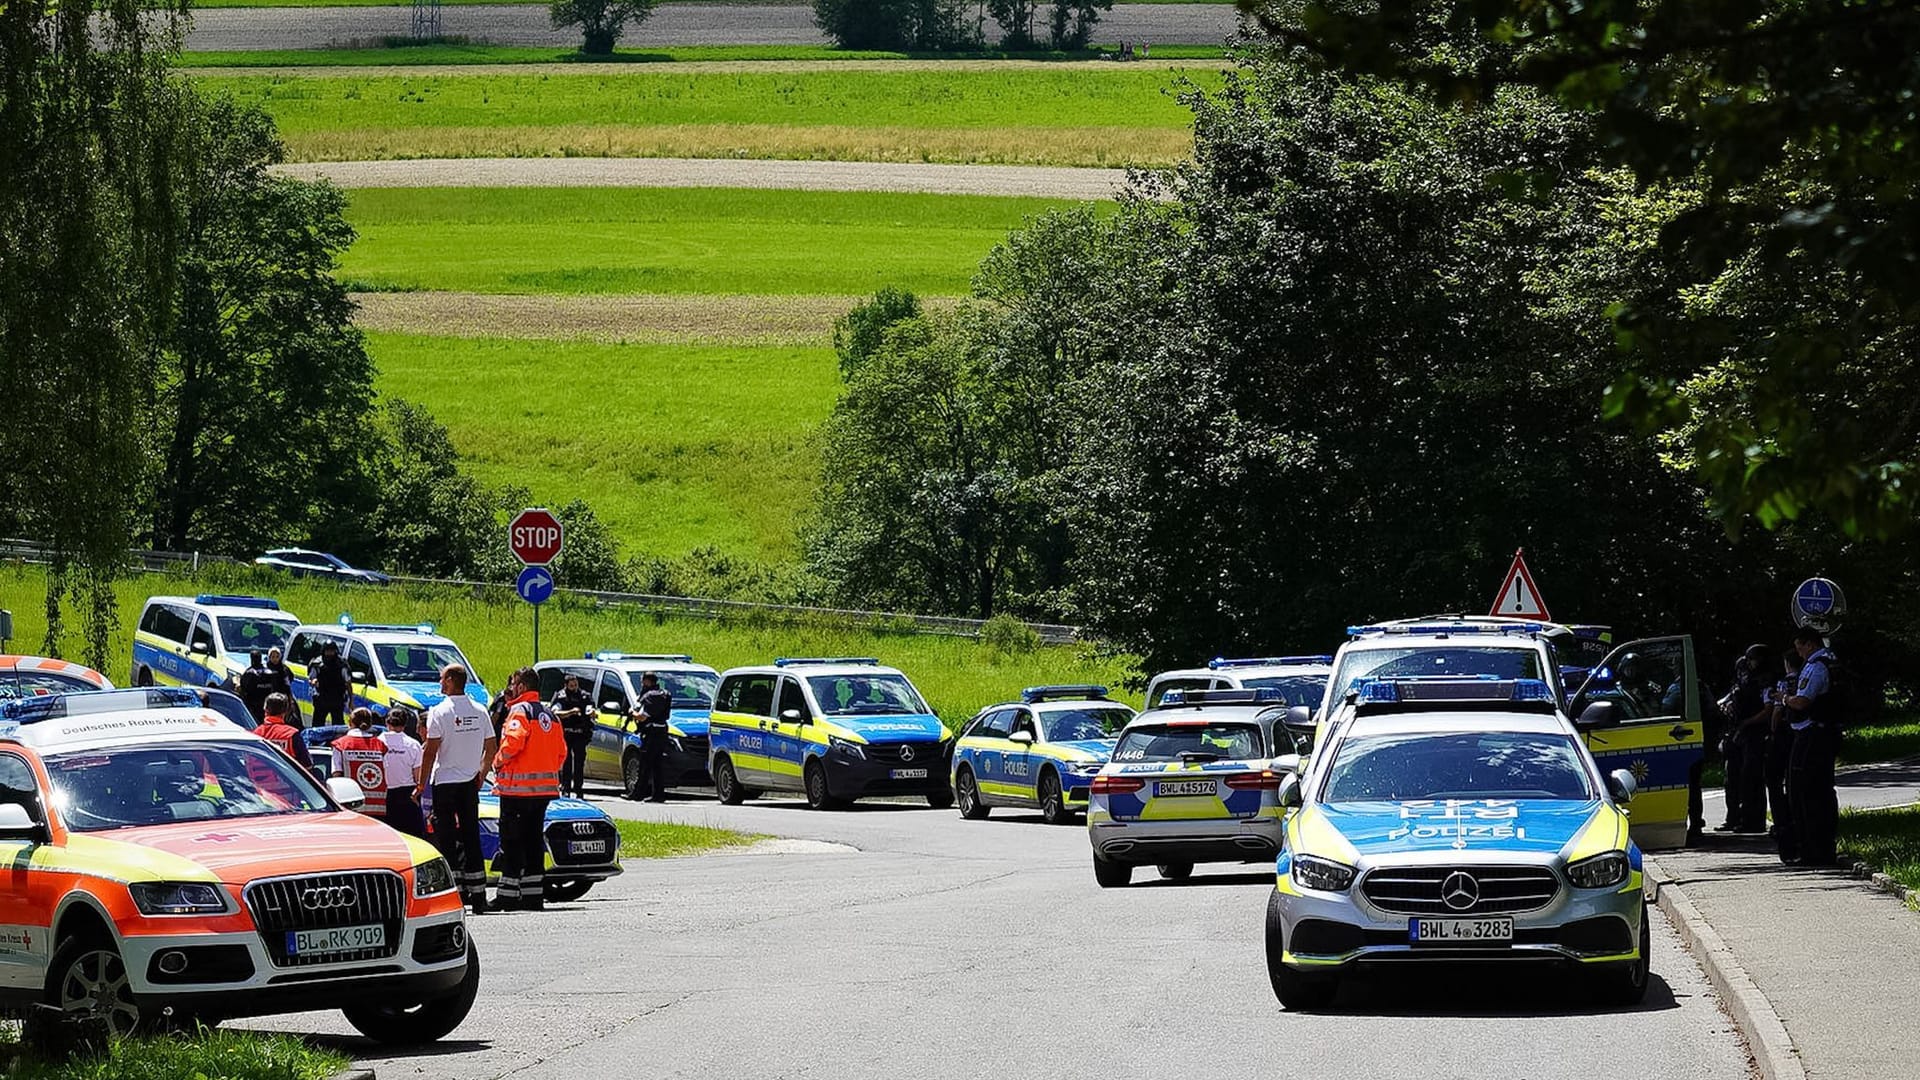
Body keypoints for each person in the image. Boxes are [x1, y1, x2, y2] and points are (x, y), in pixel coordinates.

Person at [422, 664, 497, 914]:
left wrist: (421, 784)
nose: (440, 683)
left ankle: (453, 897)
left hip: (444, 782)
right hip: (469, 783)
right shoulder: (479, 710)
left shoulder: (439, 712)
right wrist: (481, 773)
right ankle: (478, 897)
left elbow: (430, 751)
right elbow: (491, 746)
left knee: (447, 839)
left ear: (452, 680)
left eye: (442, 678)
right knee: (471, 837)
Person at [491, 667, 566, 911]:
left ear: (521, 686)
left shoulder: (519, 711)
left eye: (512, 684)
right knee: (534, 841)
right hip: (544, 791)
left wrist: (497, 761)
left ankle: (508, 897)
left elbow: (513, 742)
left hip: (516, 791)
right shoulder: (551, 715)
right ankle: (534, 896)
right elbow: (561, 753)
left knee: (511, 841)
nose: (509, 689)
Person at [1786, 628, 1843, 866]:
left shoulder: (1816, 666)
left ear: (1809, 644)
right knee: (1820, 791)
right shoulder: (1832, 661)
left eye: (1800, 647)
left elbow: (1802, 701)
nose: (1798, 653)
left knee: (1807, 792)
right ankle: (1820, 848)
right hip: (1824, 733)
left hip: (1814, 735)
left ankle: (1814, 850)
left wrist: (1784, 699)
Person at [1719, 645, 1775, 833]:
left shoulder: (1766, 680)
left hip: (1755, 732)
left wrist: (1747, 722)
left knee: (1751, 777)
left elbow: (1767, 710)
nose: (1749, 664)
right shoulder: (1743, 676)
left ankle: (1753, 820)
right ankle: (1734, 817)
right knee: (1732, 777)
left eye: (1753, 660)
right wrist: (1726, 705)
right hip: (1739, 731)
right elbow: (1733, 695)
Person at [1767, 648, 1803, 859]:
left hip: (1784, 734)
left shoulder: (1784, 684)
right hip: (1802, 732)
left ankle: (1783, 821)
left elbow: (1777, 711)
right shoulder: (1807, 676)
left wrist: (1773, 730)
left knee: (1775, 779)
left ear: (1787, 664)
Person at [332, 707, 391, 819]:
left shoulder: (341, 744)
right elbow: (386, 774)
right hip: (378, 807)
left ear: (350, 722)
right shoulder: (380, 745)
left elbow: (336, 776)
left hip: (351, 805)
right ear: (370, 724)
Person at [381, 706, 427, 837]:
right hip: (407, 795)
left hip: (383, 795)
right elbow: (417, 775)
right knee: (411, 837)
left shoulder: (377, 742)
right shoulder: (413, 744)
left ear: (387, 722)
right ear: (405, 724)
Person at [551, 673, 596, 798]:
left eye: (576, 684)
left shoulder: (584, 696)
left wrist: (592, 712)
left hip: (581, 734)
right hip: (565, 734)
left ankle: (578, 788)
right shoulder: (561, 696)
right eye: (571, 685)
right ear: (566, 685)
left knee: (579, 762)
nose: (574, 687)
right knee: (566, 762)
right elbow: (555, 713)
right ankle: (566, 788)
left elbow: (590, 708)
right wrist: (571, 712)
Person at [630, 671, 673, 803]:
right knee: (657, 765)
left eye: (643, 681)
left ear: (647, 681)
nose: (642, 684)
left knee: (645, 764)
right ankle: (658, 794)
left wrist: (632, 713)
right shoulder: (665, 694)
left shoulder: (649, 696)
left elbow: (642, 716)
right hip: (662, 731)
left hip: (651, 732)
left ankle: (638, 794)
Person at [309, 641, 352, 729]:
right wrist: (314, 681)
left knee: (338, 725)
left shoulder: (342, 664)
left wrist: (351, 700)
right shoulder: (317, 663)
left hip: (337, 699)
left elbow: (348, 682)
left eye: (332, 651)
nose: (329, 653)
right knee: (317, 725)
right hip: (321, 698)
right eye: (327, 651)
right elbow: (311, 678)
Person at [254, 693, 305, 765]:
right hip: (286, 776)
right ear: (286, 711)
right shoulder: (292, 734)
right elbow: (307, 764)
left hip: (256, 776)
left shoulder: (254, 735)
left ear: (265, 710)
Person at [261, 647, 296, 724]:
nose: (275, 659)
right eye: (272, 657)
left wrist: (290, 699)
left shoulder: (284, 669)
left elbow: (288, 683)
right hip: (269, 697)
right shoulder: (265, 669)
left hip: (282, 697)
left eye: (277, 657)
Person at [238, 650, 271, 721]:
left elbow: (244, 688)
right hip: (266, 705)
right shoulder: (269, 672)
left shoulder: (249, 673)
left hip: (252, 705)